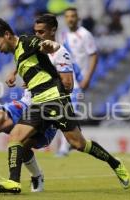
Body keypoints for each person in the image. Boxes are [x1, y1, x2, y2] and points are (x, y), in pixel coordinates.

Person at [0, 18, 130, 194]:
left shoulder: (27, 41)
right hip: (38, 102)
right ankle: (14, 182)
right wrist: (19, 75)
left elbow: (44, 46)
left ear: (7, 35)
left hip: (55, 100)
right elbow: (35, 62)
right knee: (16, 137)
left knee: (78, 144)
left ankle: (114, 163)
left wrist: (50, 46)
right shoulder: (18, 53)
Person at [0, 14, 75, 192]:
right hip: (27, 102)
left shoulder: (46, 47)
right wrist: (15, 72)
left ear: (7, 35)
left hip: (47, 105)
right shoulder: (19, 50)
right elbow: (26, 55)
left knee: (23, 146)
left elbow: (44, 51)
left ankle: (36, 177)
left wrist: (51, 53)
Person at [56, 7, 99, 157]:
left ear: (77, 18)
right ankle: (72, 142)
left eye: (73, 16)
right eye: (67, 16)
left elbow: (93, 56)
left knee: (69, 112)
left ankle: (64, 147)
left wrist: (87, 77)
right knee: (64, 112)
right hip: (64, 79)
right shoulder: (62, 35)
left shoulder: (85, 35)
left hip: (78, 81)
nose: (70, 19)